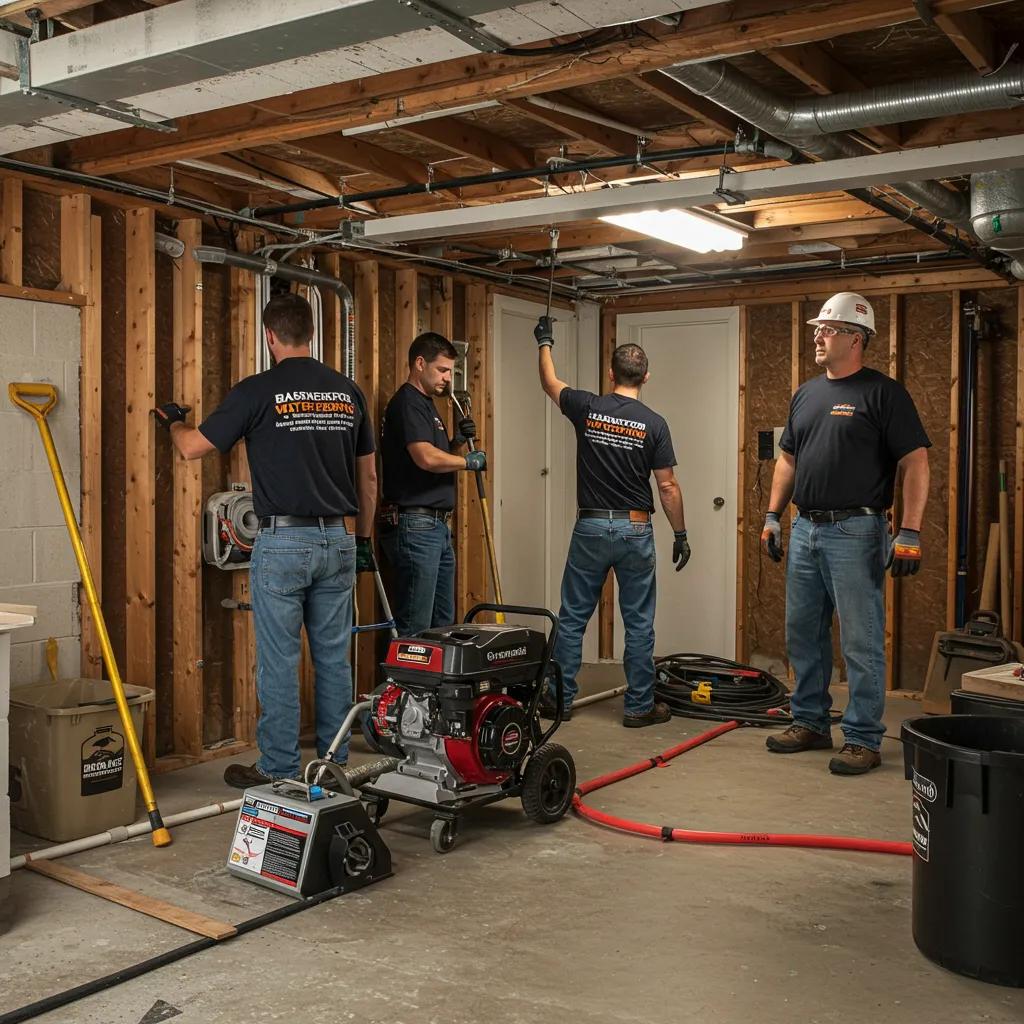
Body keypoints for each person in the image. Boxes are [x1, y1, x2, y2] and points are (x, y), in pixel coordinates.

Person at [153, 292, 377, 788]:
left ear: (270, 336)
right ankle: (334, 765)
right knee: (334, 660)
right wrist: (361, 540)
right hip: (338, 540)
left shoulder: (257, 390)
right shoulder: (347, 392)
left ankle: (278, 769)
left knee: (280, 662)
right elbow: (368, 481)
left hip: (283, 543)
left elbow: (193, 448)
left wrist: (173, 421)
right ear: (311, 334)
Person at [760, 291, 930, 776]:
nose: (817, 335)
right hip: (806, 529)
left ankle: (862, 738)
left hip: (857, 529)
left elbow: (915, 461)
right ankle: (811, 722)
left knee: (860, 639)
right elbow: (788, 458)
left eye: (827, 329)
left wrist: (911, 530)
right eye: (817, 328)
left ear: (855, 338)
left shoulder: (883, 393)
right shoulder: (807, 393)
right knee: (803, 634)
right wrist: (773, 516)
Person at [535, 316, 690, 728]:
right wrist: (680, 533)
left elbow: (550, 382)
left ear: (610, 373)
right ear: (646, 377)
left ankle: (560, 700)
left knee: (572, 617)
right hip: (635, 529)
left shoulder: (588, 406)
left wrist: (545, 342)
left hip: (589, 527)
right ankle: (639, 707)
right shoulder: (654, 423)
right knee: (638, 622)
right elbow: (668, 486)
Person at [379, 332, 485, 636]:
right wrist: (468, 461)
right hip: (416, 525)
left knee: (442, 624)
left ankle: (435, 685)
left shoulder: (426, 405)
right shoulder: (407, 403)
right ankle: (406, 684)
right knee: (416, 625)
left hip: (436, 527)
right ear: (419, 363)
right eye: (442, 370)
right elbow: (424, 457)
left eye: (450, 371)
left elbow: (434, 458)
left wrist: (457, 443)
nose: (447, 378)